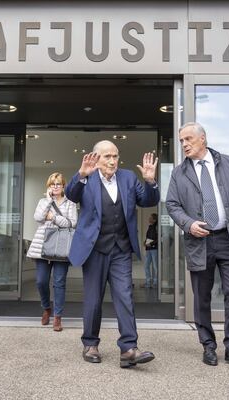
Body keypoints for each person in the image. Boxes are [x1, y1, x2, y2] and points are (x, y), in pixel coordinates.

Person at [166, 122, 229, 370]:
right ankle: (208, 345)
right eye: (181, 140)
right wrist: (188, 223)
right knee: (202, 298)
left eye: (188, 139)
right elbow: (172, 205)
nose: (184, 144)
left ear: (202, 139)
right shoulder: (178, 173)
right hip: (199, 241)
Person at [66, 140, 159, 368]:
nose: (112, 161)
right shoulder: (87, 176)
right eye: (107, 156)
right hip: (95, 248)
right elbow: (70, 195)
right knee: (93, 299)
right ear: (96, 158)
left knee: (125, 296)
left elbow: (149, 200)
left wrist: (150, 181)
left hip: (120, 249)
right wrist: (81, 175)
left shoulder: (128, 178)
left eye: (115, 156)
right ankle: (90, 344)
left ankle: (129, 348)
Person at [26, 172, 77, 331]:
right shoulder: (43, 201)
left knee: (59, 282)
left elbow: (72, 223)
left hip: (61, 247)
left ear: (63, 186)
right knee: (41, 281)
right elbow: (38, 217)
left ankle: (57, 317)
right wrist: (49, 201)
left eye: (58, 184)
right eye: (52, 184)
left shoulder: (71, 203)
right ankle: (46, 308)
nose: (55, 186)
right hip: (43, 245)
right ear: (48, 187)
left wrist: (53, 218)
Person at [143, 213, 158, 288]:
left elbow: (158, 238)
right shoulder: (150, 227)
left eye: (150, 218)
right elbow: (149, 237)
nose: (149, 218)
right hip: (148, 249)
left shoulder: (157, 227)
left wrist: (151, 244)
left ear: (154, 220)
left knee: (155, 267)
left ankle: (155, 283)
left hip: (154, 249)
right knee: (146, 266)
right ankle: (148, 283)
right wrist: (145, 242)